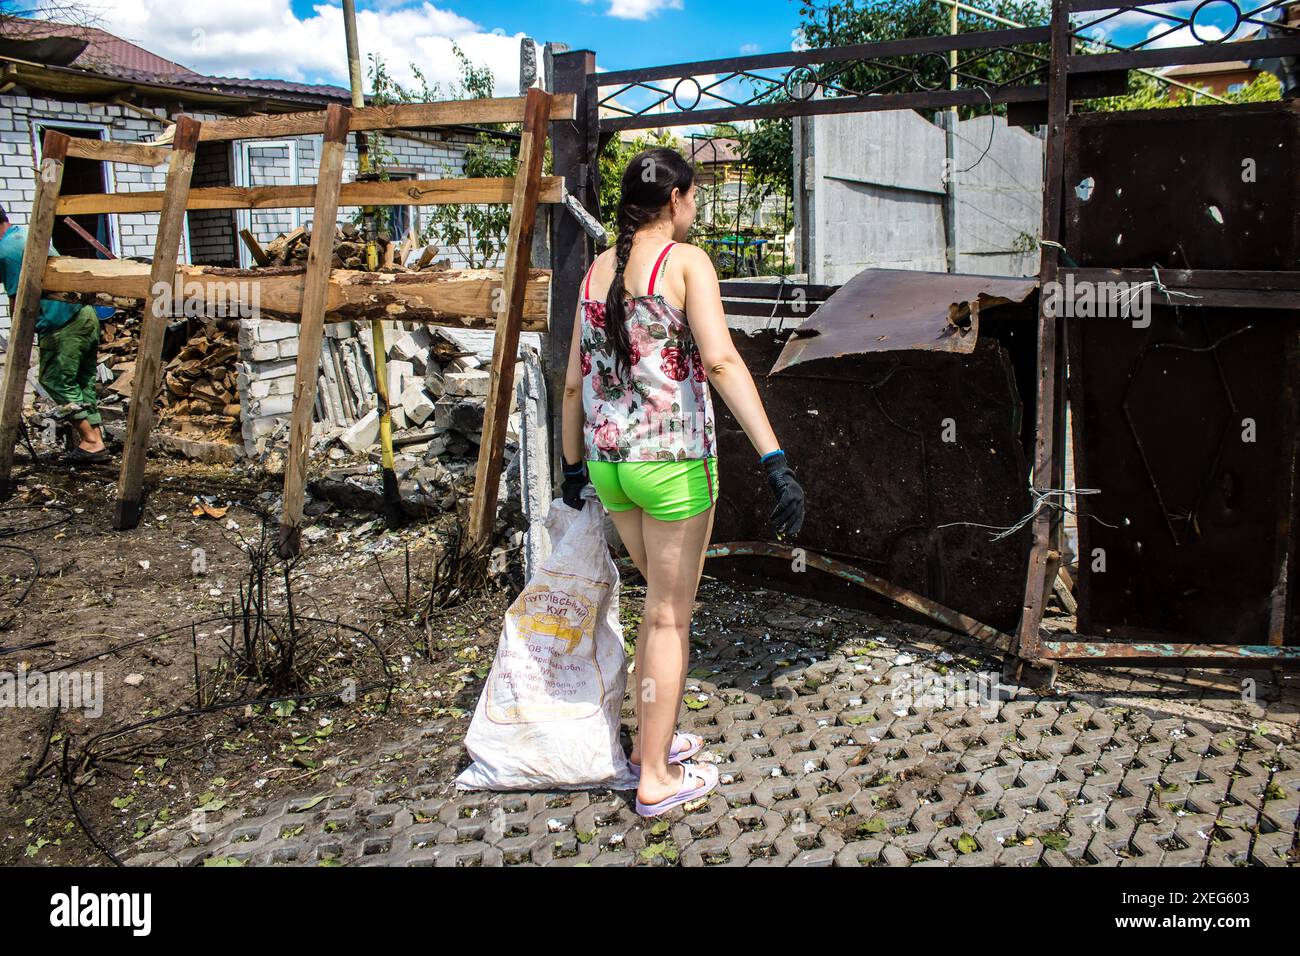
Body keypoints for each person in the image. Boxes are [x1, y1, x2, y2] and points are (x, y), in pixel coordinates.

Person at [561, 147, 805, 818]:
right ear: (676, 201)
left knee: (655, 613)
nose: (694, 209)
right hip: (671, 468)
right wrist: (774, 459)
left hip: (612, 467)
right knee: (669, 619)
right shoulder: (686, 263)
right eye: (692, 198)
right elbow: (722, 362)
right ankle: (656, 782)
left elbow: (576, 381)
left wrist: (570, 468)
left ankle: (649, 748)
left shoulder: (595, 271)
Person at [0, 206, 108, 462]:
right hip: (83, 314)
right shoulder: (24, 235)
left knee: (56, 381)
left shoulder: (7, 250)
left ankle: (91, 441)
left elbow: (21, 298)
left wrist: (18, 335)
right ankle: (94, 440)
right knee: (81, 382)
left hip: (62, 323)